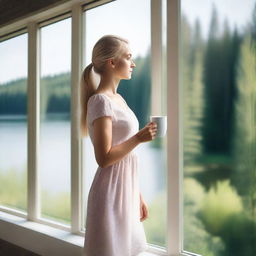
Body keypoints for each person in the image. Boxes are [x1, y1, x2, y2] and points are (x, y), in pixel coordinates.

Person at [80, 35, 158, 256]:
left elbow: (126, 158)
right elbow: (103, 159)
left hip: (126, 192)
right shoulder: (100, 101)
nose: (133, 64)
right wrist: (138, 138)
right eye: (128, 57)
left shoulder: (119, 100)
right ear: (112, 63)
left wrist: (137, 195)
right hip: (110, 195)